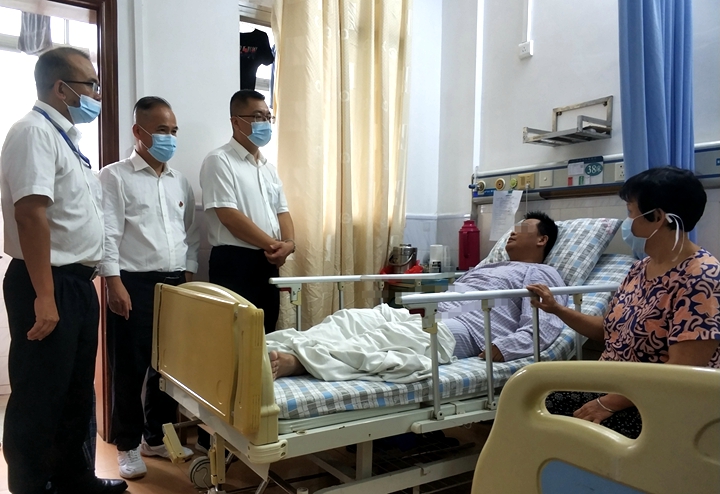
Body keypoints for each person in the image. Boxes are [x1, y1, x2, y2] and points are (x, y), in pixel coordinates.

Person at [0, 47, 127, 494]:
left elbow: (80, 218)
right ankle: (31, 487)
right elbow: (30, 214)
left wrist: (105, 278)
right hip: (47, 282)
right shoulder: (33, 132)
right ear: (61, 87)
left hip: (75, 283)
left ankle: (74, 480)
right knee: (39, 397)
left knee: (75, 392)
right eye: (92, 84)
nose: (97, 94)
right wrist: (45, 295)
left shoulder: (65, 139)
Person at [528, 166, 720, 439]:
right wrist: (557, 309)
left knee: (549, 418)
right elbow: (610, 331)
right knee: (531, 402)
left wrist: (609, 403)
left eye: (631, 212)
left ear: (657, 217)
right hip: (614, 387)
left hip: (659, 404)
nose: (627, 221)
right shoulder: (639, 269)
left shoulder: (701, 277)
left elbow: (683, 371)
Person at [269, 212, 568, 380]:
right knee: (350, 319)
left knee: (382, 340)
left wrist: (504, 347)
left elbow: (542, 324)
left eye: (523, 229)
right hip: (432, 316)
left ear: (542, 239)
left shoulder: (542, 274)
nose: (512, 233)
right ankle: (275, 345)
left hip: (466, 330)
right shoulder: (487, 266)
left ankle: (298, 362)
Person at [98, 97, 199, 479]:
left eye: (173, 131)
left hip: (174, 283)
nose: (169, 137)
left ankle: (155, 438)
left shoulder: (179, 181)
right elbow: (108, 234)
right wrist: (113, 283)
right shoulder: (115, 177)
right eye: (161, 130)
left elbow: (190, 233)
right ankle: (127, 445)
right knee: (129, 369)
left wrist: (188, 276)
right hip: (133, 283)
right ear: (138, 132)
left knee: (167, 368)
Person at [199, 89, 295, 334]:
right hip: (235, 263)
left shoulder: (268, 168)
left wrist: (289, 244)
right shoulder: (219, 160)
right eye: (257, 117)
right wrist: (274, 246)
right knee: (235, 338)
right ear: (236, 122)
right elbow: (228, 216)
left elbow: (282, 211)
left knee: (267, 333)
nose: (264, 123)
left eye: (268, 117)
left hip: (268, 261)